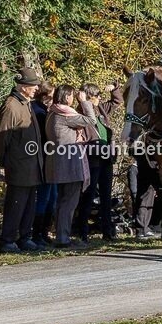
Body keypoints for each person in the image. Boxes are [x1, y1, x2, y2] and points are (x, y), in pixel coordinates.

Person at [0, 68, 45, 253]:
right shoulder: (11, 105)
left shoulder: (25, 103)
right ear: (23, 87)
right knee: (15, 205)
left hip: (31, 166)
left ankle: (25, 237)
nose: (36, 88)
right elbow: (1, 138)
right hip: (19, 165)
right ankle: (8, 240)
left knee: (28, 205)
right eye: (33, 85)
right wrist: (6, 163)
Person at [45, 85, 97, 249]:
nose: (73, 99)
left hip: (57, 163)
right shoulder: (65, 114)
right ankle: (63, 238)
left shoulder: (52, 112)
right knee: (69, 202)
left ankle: (62, 235)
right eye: (72, 96)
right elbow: (91, 121)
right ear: (66, 97)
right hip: (69, 163)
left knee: (62, 201)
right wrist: (85, 102)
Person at [77, 83, 120, 243]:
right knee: (88, 196)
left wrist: (114, 88)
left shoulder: (101, 109)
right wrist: (84, 102)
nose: (100, 98)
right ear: (89, 97)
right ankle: (82, 232)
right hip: (92, 160)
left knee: (106, 197)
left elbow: (117, 102)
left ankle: (107, 231)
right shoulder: (81, 111)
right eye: (97, 96)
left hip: (106, 159)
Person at [30, 81, 56, 247]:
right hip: (43, 158)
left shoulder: (43, 110)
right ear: (45, 95)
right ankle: (37, 233)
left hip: (50, 158)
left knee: (52, 197)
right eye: (52, 95)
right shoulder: (38, 111)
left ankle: (44, 231)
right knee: (44, 198)